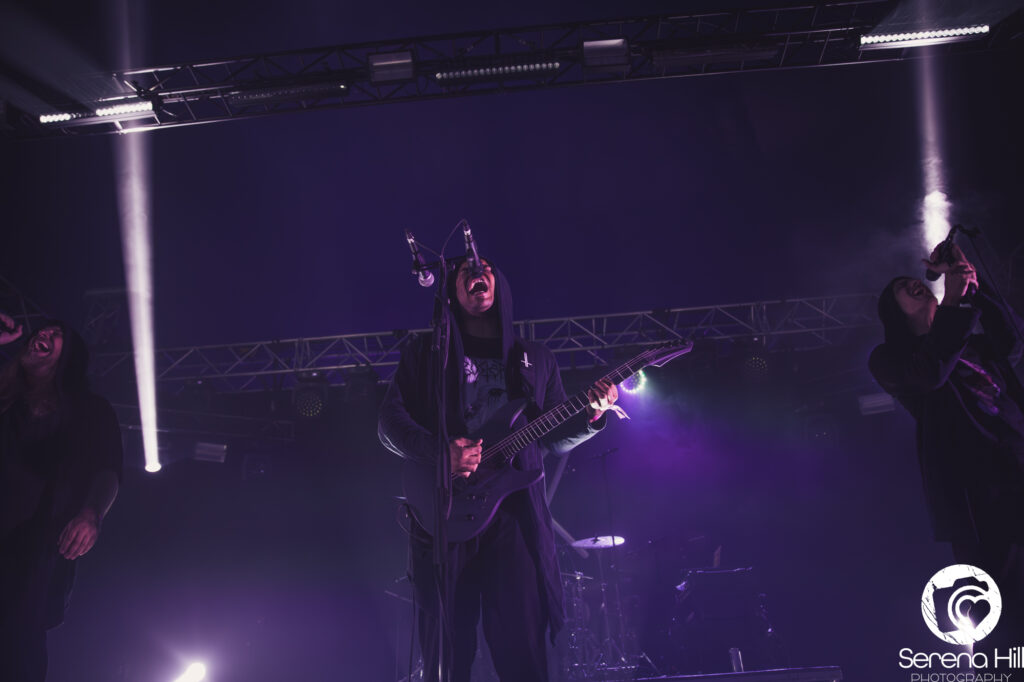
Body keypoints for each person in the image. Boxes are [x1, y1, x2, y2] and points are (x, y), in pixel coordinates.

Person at [378, 257, 618, 682]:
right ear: (452, 291)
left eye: (485, 267)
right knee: (447, 653)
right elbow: (389, 426)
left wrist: (592, 416)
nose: (477, 273)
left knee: (522, 646)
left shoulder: (536, 359)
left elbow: (553, 438)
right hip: (445, 515)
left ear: (498, 285)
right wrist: (440, 454)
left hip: (514, 518)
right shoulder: (425, 353)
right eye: (466, 270)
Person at [869, 243, 1024, 647]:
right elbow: (930, 375)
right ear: (894, 312)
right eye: (903, 287)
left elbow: (1012, 340)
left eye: (915, 280)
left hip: (1017, 467)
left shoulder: (972, 346)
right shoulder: (891, 359)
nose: (914, 284)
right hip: (979, 493)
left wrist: (970, 280)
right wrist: (953, 303)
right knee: (1000, 606)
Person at [0, 315, 123, 682]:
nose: (43, 334)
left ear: (69, 358)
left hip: (37, 545)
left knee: (18, 644)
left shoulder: (89, 409)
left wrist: (91, 513)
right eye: (42, 330)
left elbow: (108, 468)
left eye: (57, 336)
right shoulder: (6, 399)